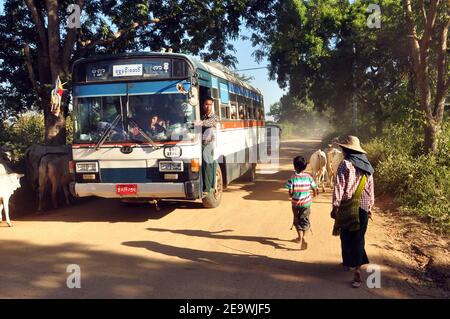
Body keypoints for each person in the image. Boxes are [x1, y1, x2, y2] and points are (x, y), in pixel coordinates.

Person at [330, 135, 375, 288]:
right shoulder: (368, 167)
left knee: (346, 235)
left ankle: (349, 263)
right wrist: (369, 208)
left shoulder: (345, 164)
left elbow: (339, 186)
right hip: (362, 207)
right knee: (359, 237)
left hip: (347, 206)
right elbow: (370, 190)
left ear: (346, 150)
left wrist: (335, 206)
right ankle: (357, 269)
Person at [285, 155, 318, 250]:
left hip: (295, 204)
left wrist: (292, 195)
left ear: (294, 166)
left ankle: (299, 238)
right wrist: (314, 194)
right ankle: (305, 237)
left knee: (297, 221)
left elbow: (290, 192)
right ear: (305, 166)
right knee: (305, 220)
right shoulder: (308, 177)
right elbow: (314, 188)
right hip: (306, 204)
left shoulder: (292, 178)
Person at [196, 97, 218, 195]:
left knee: (208, 167)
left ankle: (208, 189)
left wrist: (198, 123)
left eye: (210, 105)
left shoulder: (214, 117)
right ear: (203, 105)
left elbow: (208, 123)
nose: (208, 107)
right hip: (201, 144)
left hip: (209, 145)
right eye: (206, 104)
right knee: (202, 167)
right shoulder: (203, 116)